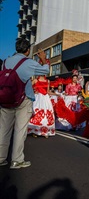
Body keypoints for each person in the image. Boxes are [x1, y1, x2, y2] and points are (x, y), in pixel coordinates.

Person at [0, 36, 49, 169]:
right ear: (27, 50)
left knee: (3, 130)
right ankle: (16, 160)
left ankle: (1, 158)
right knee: (20, 130)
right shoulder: (28, 62)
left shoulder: (5, 61)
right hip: (23, 99)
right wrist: (43, 58)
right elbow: (45, 71)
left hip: (5, 99)